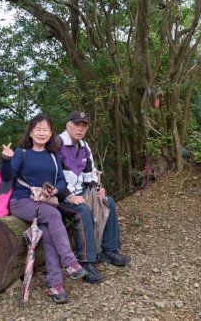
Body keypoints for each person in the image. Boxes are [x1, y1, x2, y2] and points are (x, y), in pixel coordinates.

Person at [0, 114, 86, 303]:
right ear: (30, 132)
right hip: (21, 202)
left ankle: (55, 285)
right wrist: (6, 160)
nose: (41, 133)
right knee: (54, 215)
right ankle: (70, 262)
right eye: (37, 129)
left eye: (45, 129)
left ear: (50, 133)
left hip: (43, 203)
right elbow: (7, 177)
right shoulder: (21, 153)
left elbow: (62, 181)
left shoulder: (53, 155)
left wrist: (56, 189)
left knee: (48, 235)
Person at [57, 111, 131, 284]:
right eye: (77, 125)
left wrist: (97, 189)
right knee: (82, 210)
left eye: (84, 126)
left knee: (108, 201)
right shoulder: (56, 144)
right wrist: (68, 197)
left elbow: (89, 174)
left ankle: (109, 250)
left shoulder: (84, 147)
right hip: (59, 198)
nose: (80, 129)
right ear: (68, 125)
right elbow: (51, 176)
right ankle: (86, 261)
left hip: (80, 193)